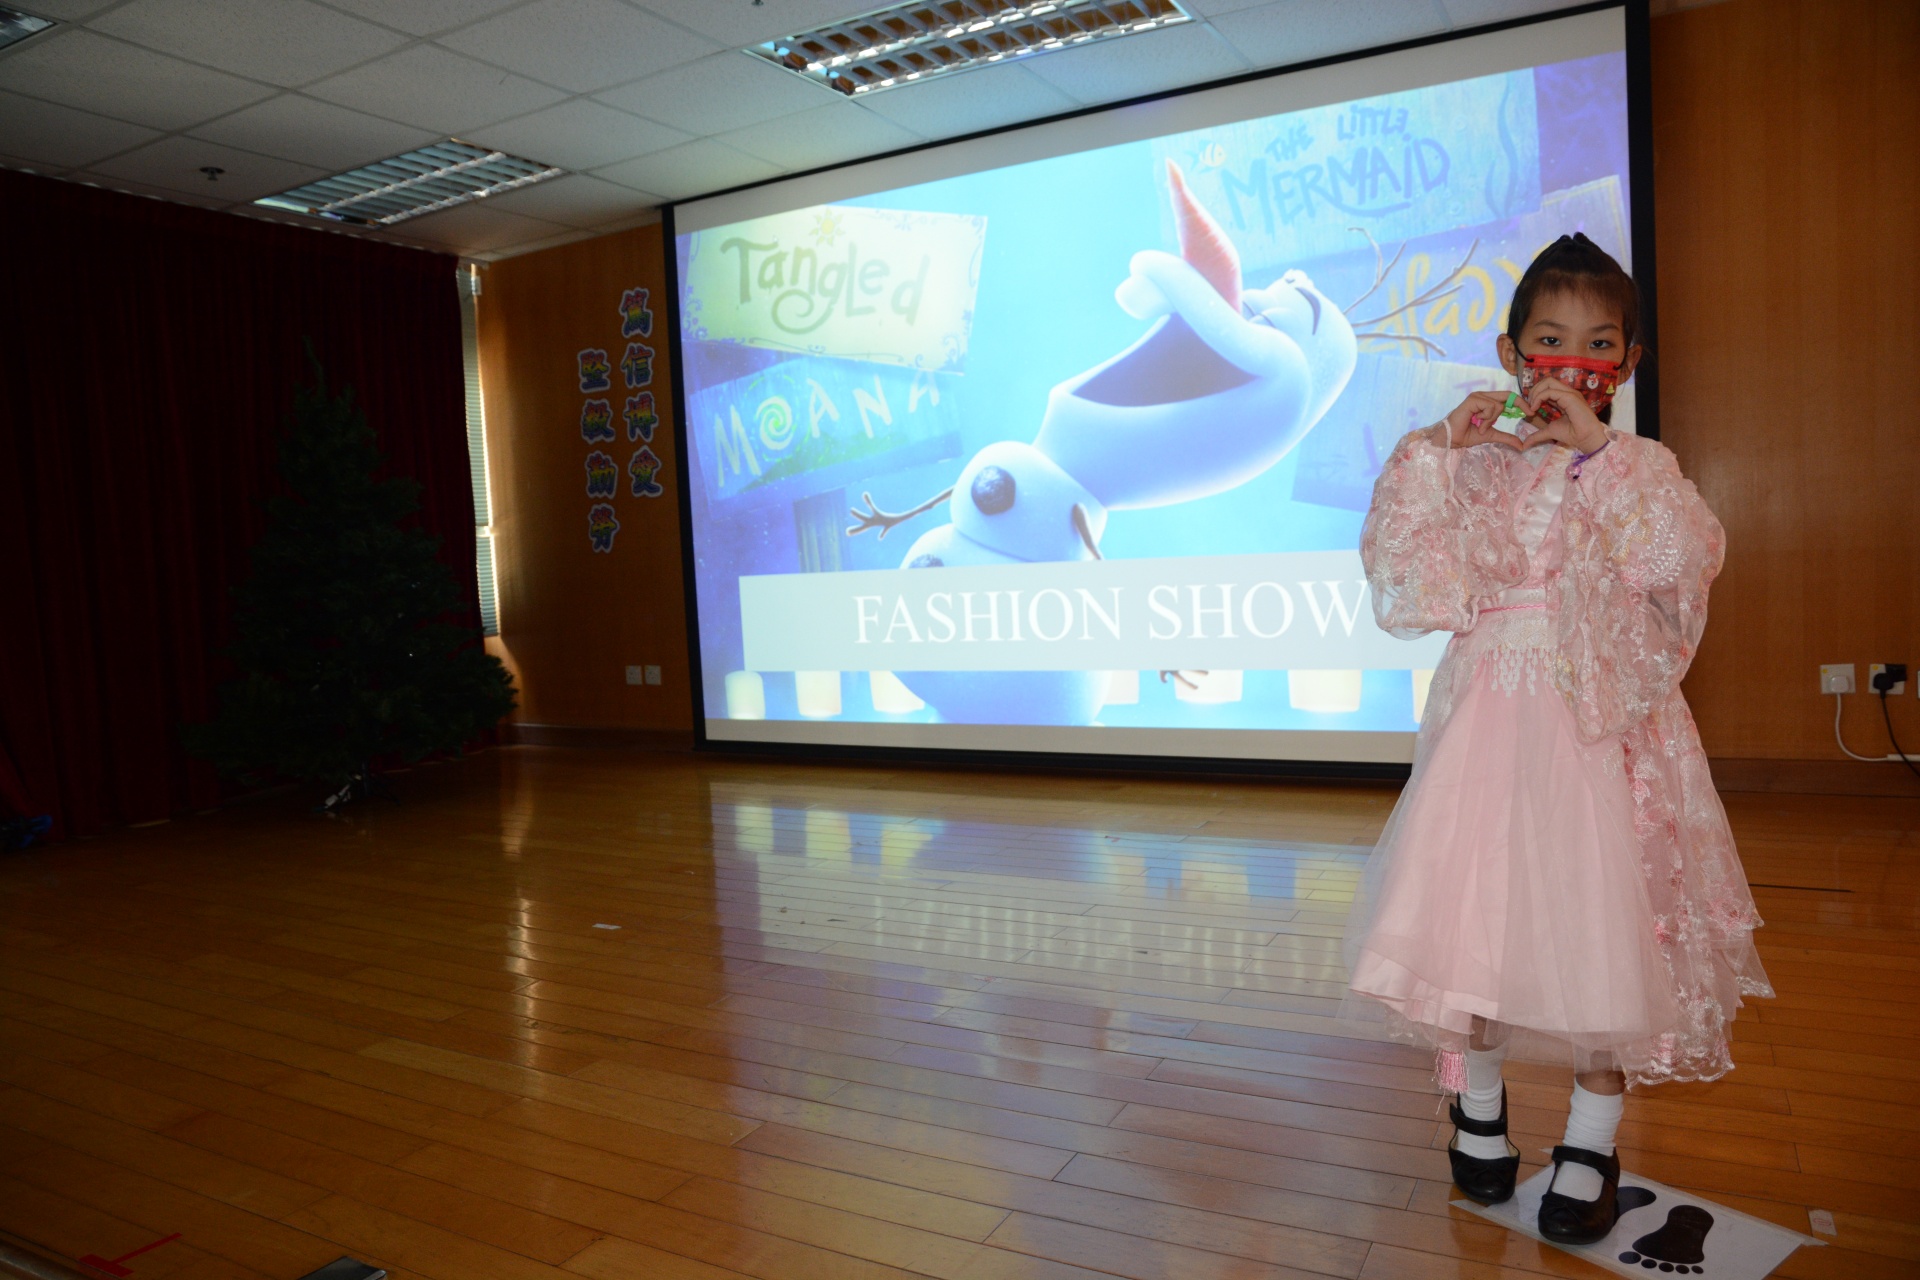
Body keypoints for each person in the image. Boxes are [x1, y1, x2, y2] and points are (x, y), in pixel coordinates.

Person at [1338, 233, 1772, 1245]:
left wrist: (1601, 457)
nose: (1572, 361)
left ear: (1626, 364)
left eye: (1599, 344)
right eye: (1550, 338)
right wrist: (1435, 449)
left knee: (1602, 933)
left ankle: (1591, 1139)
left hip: (1598, 737)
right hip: (1487, 729)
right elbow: (1410, 587)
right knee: (1475, 923)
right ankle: (1477, 1106)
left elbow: (1678, 560)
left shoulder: (1640, 467)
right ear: (1511, 353)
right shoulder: (1473, 469)